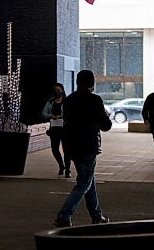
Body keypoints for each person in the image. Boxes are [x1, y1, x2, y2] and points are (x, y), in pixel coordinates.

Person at [53, 70, 112, 228]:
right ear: (92, 84)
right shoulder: (95, 100)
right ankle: (64, 215)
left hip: (71, 146)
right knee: (84, 183)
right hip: (88, 146)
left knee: (88, 180)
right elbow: (106, 125)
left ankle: (96, 215)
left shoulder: (69, 100)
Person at [42, 83, 71, 178]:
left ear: (62, 90)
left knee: (66, 150)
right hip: (54, 129)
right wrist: (52, 116)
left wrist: (63, 116)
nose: (57, 92)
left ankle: (67, 169)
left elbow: (72, 114)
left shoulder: (67, 102)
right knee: (55, 149)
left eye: (59, 90)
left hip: (65, 129)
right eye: (56, 90)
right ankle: (61, 165)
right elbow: (44, 113)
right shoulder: (50, 102)